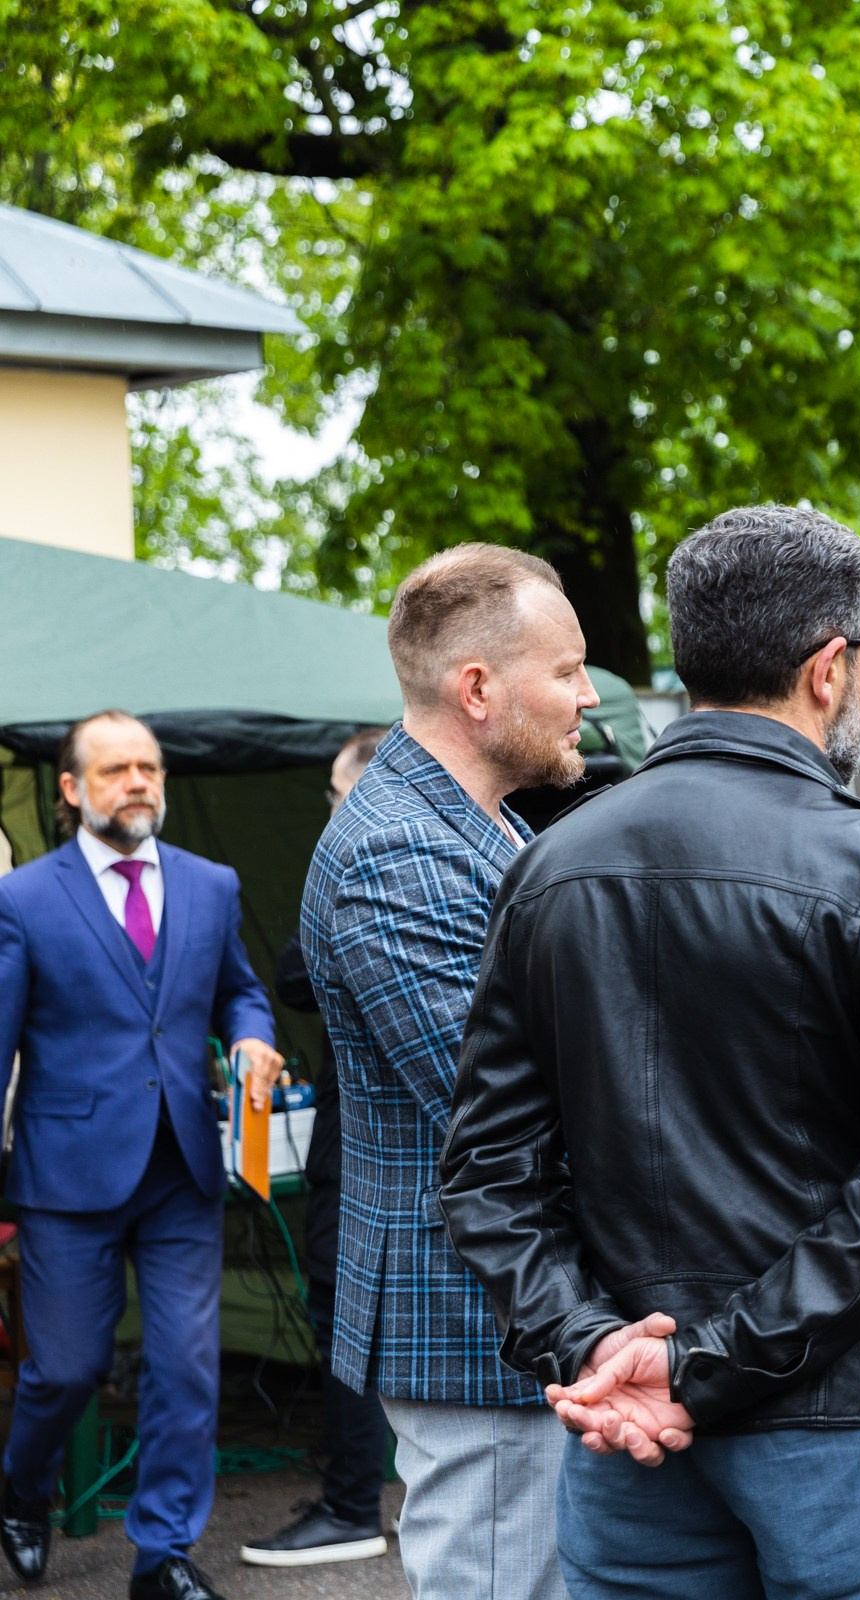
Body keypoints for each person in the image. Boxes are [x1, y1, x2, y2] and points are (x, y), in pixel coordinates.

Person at [441, 506, 860, 1600]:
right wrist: (687, 1366)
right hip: (837, 1423)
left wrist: (598, 1345)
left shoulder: (552, 865)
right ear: (830, 668)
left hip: (635, 1424)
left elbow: (486, 1173)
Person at [300, 545, 598, 1600]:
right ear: (477, 688)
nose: (587, 695)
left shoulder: (480, 821)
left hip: (512, 1314)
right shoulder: (397, 852)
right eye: (566, 670)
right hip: (474, 1322)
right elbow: (497, 1107)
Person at [0, 710, 284, 1600]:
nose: (140, 782)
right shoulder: (26, 899)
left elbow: (241, 991)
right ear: (72, 791)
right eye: (117, 769)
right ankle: (19, 1494)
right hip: (65, 1173)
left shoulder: (212, 884)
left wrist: (250, 1038)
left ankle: (161, 1556)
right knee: (67, 1368)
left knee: (187, 1367)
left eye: (151, 768)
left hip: (183, 1171)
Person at [244, 726, 394, 1567]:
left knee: (346, 1316)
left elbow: (296, 973)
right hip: (372, 1146)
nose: (329, 812)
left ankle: (349, 1507)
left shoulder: (365, 865)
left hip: (369, 1152)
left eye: (336, 795)